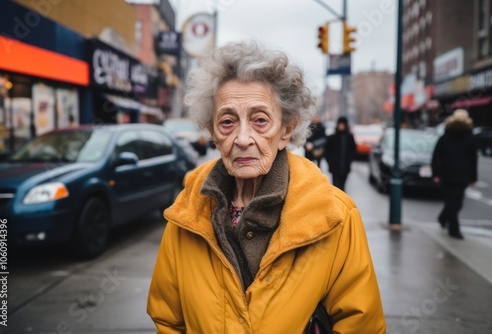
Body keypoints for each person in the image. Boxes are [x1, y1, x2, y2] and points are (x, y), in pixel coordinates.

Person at [147, 41, 385, 333]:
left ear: (286, 129)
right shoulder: (186, 214)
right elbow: (169, 321)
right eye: (227, 122)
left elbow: (361, 325)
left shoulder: (336, 216)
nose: (243, 137)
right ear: (211, 132)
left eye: (260, 120)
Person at [431, 109, 478, 239]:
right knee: (453, 202)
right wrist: (435, 173)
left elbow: (473, 159)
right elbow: (436, 156)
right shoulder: (446, 137)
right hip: (449, 175)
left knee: (456, 202)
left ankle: (443, 218)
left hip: (460, 176)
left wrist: (473, 177)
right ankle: (454, 229)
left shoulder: (469, 138)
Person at [324, 116, 357, 191]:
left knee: (342, 187)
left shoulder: (349, 137)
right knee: (336, 188)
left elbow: (353, 150)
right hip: (334, 167)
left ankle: (341, 202)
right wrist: (331, 162)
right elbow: (327, 151)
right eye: (340, 124)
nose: (341, 126)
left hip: (345, 167)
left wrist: (349, 160)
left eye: (343, 124)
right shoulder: (332, 137)